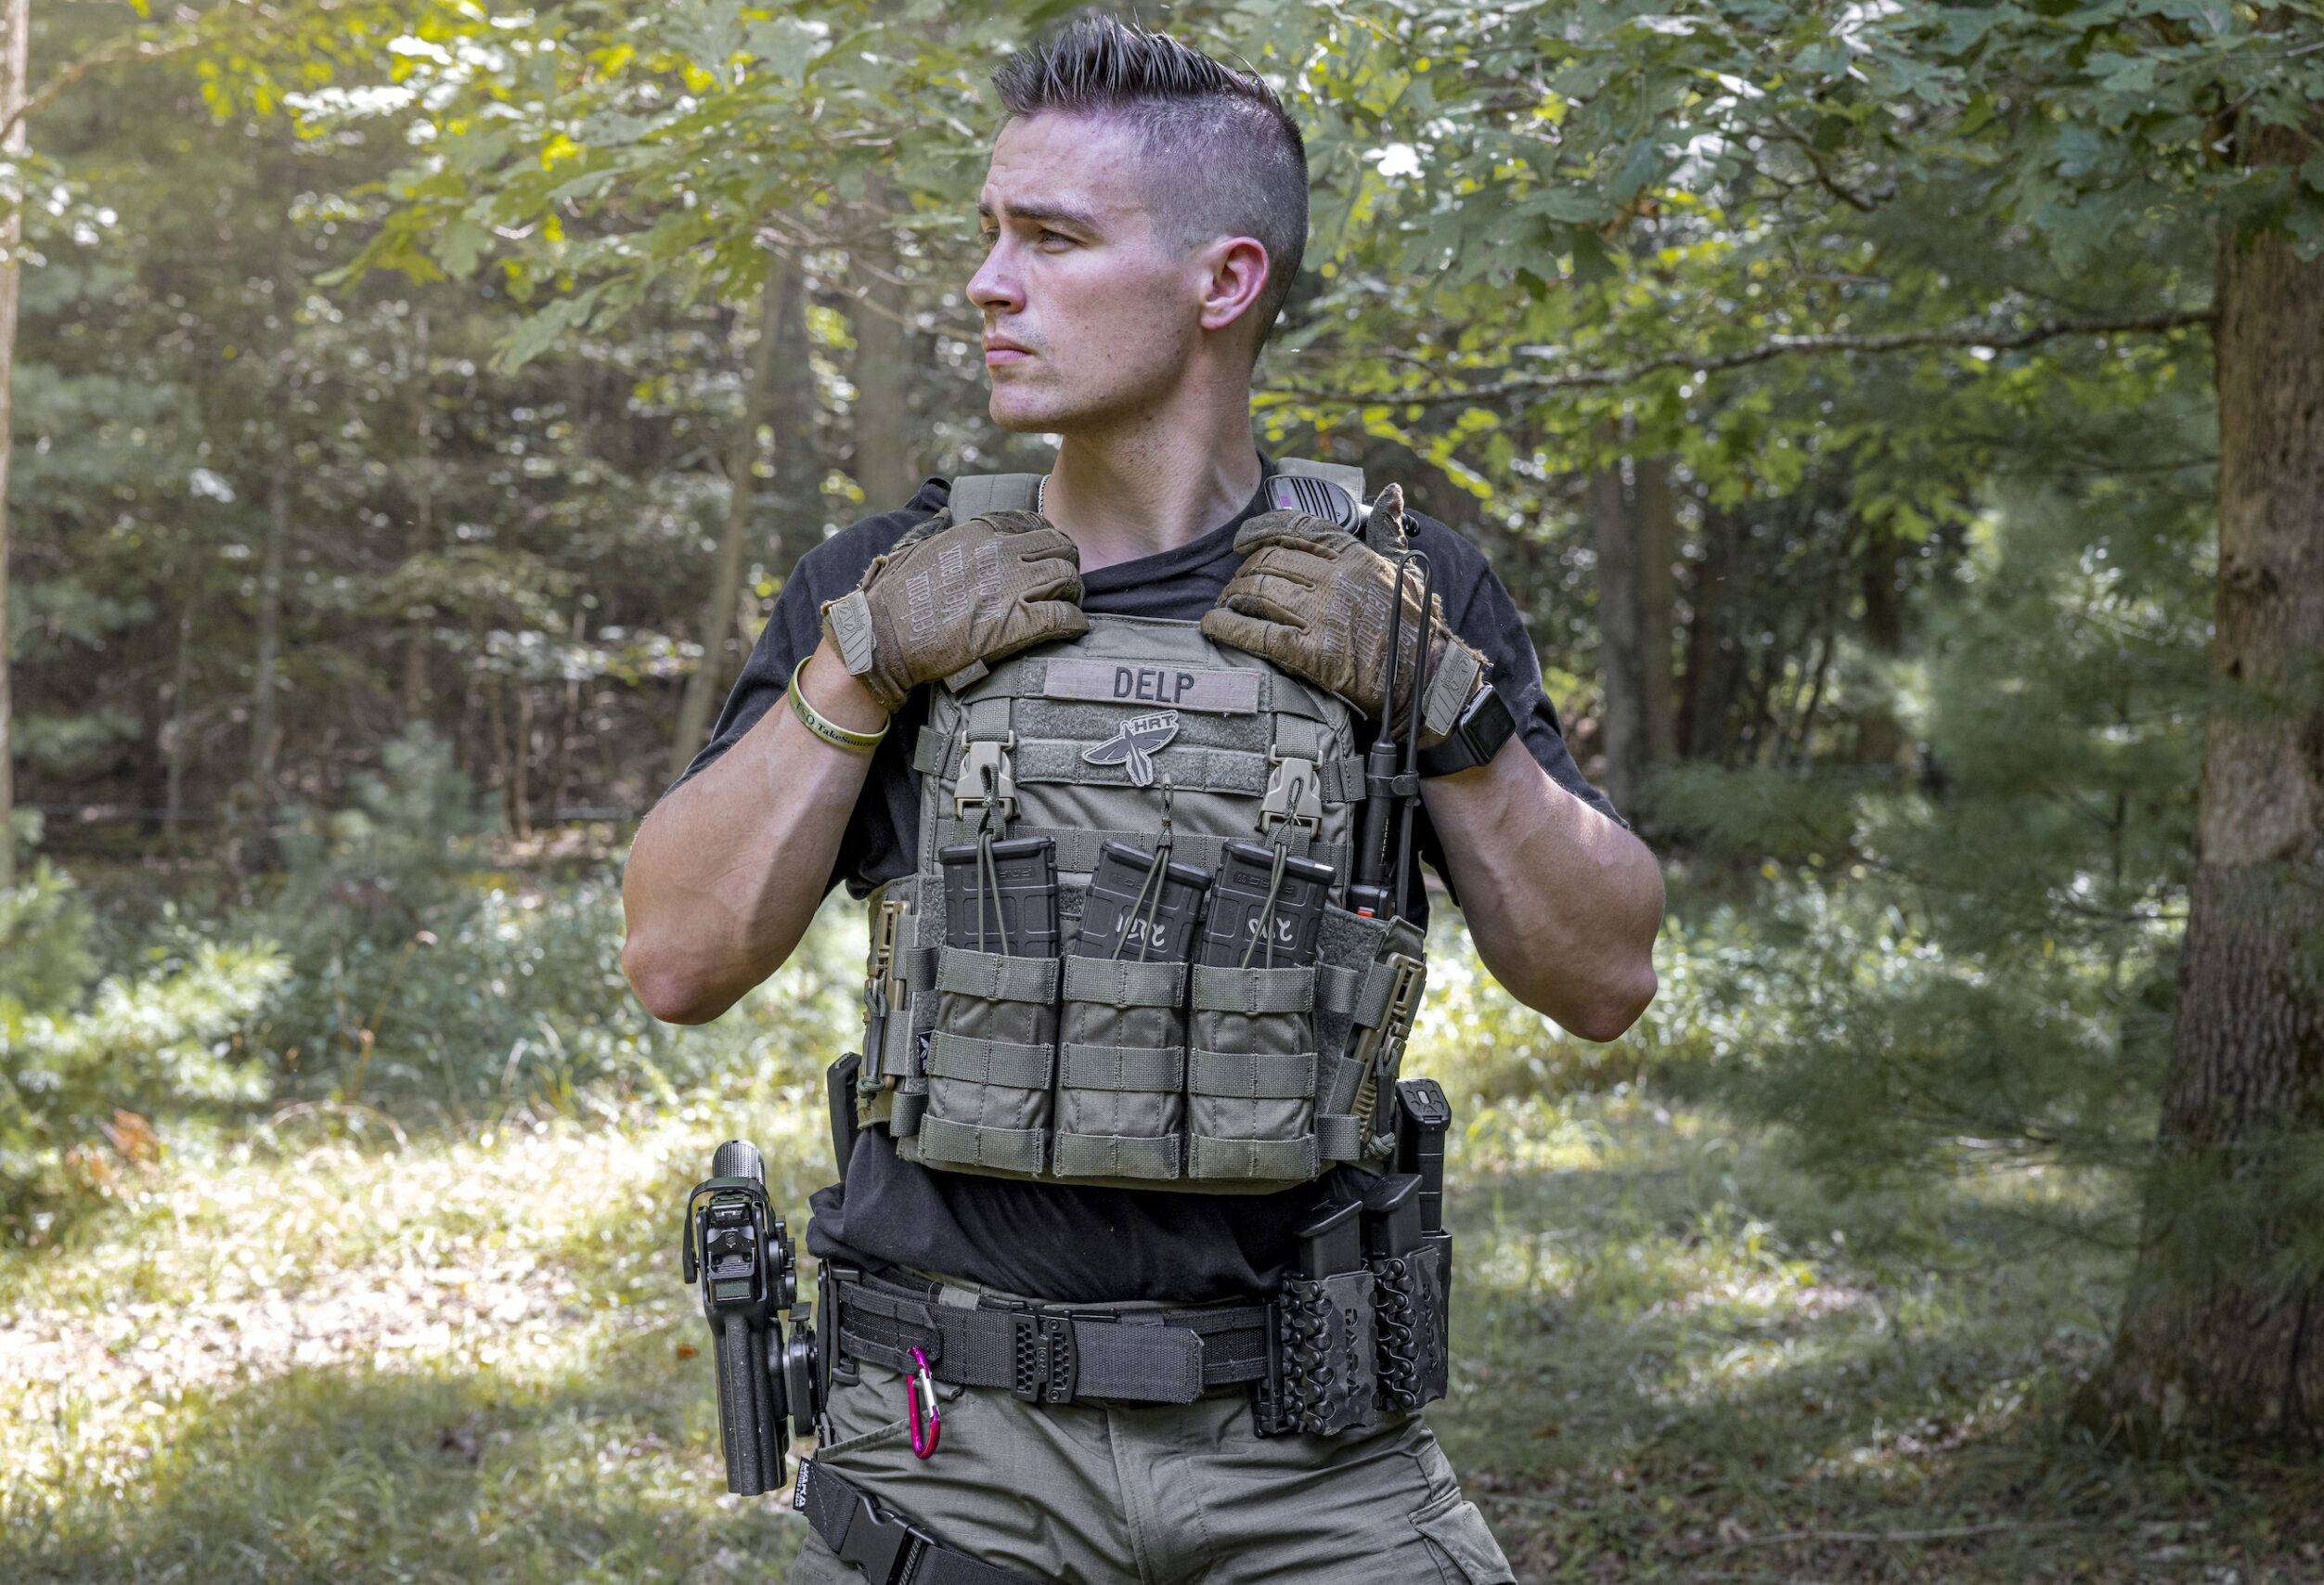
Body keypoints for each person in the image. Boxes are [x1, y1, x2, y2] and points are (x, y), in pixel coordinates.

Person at [623, 15, 1664, 1582]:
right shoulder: (885, 586)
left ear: (1222, 283)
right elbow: (675, 962)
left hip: (1313, 1453)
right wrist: (857, 674)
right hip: (944, 1447)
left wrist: (1452, 716)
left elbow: (1604, 976)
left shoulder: (1404, 589)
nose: (987, 281)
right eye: (987, 234)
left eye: (1049, 238)